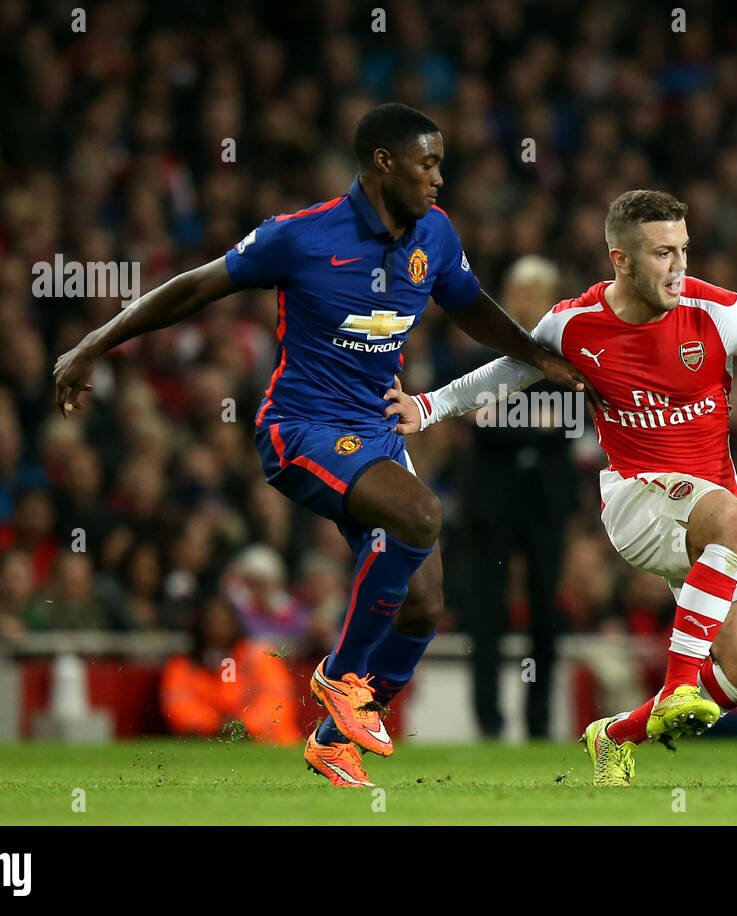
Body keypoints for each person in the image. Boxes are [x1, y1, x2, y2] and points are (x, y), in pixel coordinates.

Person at [55, 103, 590, 787]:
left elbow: (468, 304)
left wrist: (534, 356)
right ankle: (340, 679)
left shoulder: (437, 233)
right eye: (428, 164)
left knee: (425, 601)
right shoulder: (301, 237)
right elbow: (195, 288)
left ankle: (336, 740)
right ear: (383, 163)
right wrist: (95, 344)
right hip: (301, 428)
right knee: (423, 514)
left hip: (376, 430)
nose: (439, 178)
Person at [391, 190, 737, 785]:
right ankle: (680, 683)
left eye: (684, 250)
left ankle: (614, 736)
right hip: (636, 499)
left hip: (708, 510)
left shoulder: (717, 311)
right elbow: (510, 368)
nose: (680, 266)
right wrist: (426, 406)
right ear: (621, 260)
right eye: (663, 253)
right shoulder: (575, 324)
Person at [453, 256, 575, 739]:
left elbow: (571, 422)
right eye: (518, 292)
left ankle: (540, 723)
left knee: (547, 615)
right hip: (491, 501)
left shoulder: (571, 358)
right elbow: (474, 420)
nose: (525, 302)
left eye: (535, 293)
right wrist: (533, 418)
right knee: (487, 612)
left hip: (546, 502)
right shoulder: (480, 356)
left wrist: (503, 413)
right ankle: (488, 722)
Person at [160, 592, 300, 744]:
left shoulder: (259, 656)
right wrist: (216, 725)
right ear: (199, 626)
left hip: (269, 745)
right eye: (211, 624)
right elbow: (179, 706)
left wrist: (242, 726)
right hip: (210, 747)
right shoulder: (183, 665)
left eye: (223, 623)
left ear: (235, 624)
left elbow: (278, 701)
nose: (218, 630)